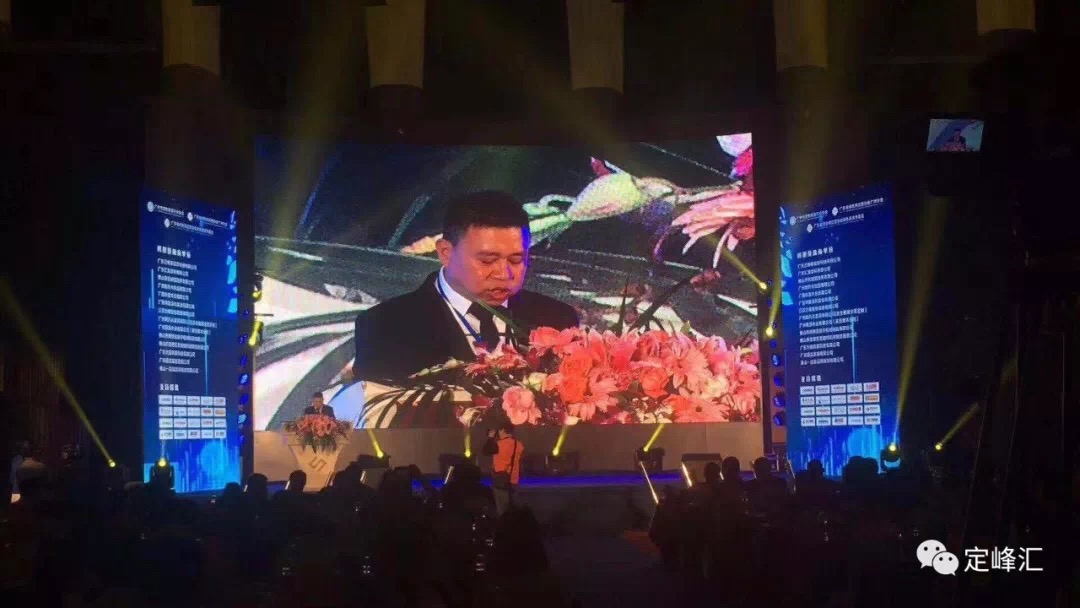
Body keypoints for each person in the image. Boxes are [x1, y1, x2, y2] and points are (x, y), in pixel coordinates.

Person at [353, 191, 578, 426]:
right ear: (445, 253)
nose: (504, 274)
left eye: (516, 260)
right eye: (487, 260)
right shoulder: (384, 327)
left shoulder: (557, 320)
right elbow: (378, 423)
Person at [483, 423, 523, 517]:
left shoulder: (498, 444)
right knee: (514, 511)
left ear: (503, 430)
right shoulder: (519, 444)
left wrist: (490, 437)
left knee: (502, 511)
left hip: (501, 480)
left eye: (499, 430)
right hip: (514, 480)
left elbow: (485, 451)